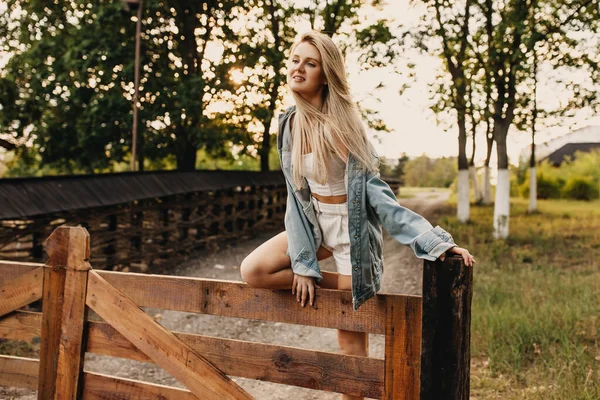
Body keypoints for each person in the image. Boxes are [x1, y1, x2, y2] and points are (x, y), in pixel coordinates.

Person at [240, 30, 475, 400]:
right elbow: (295, 196)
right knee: (253, 270)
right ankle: (326, 279)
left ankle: (353, 297)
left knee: (351, 346)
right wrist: (304, 265)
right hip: (313, 224)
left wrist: (435, 242)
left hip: (350, 231)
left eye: (310, 63)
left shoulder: (344, 128)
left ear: (326, 73)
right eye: (295, 60)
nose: (298, 68)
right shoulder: (288, 123)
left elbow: (381, 200)